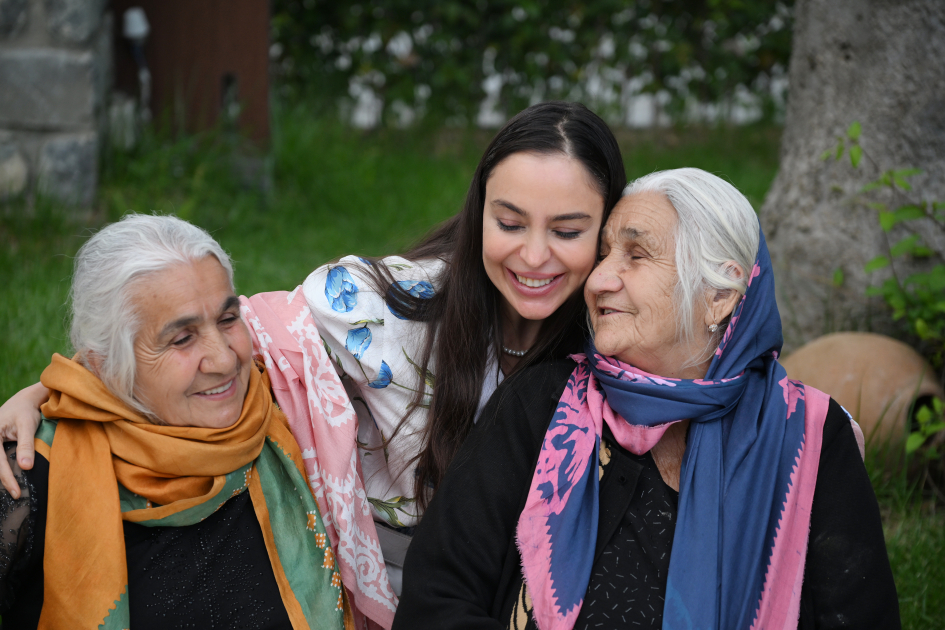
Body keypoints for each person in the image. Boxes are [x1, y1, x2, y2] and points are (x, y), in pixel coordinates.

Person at [0, 101, 627, 598]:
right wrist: (47, 393)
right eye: (509, 223)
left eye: (568, 231)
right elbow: (211, 338)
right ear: (478, 212)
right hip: (374, 592)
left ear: (609, 230)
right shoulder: (387, 309)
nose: (535, 256)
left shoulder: (621, 342)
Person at [391, 168, 900, 630]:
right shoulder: (541, 404)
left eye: (635, 255)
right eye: (605, 254)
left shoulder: (809, 436)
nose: (599, 280)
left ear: (719, 297)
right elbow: (436, 601)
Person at [0, 215, 355, 629]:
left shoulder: (295, 402)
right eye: (182, 339)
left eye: (227, 320)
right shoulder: (26, 478)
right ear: (106, 365)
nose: (224, 360)